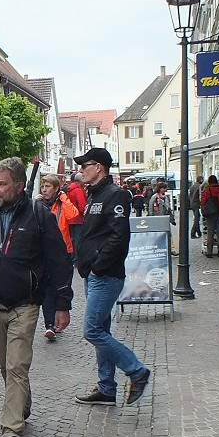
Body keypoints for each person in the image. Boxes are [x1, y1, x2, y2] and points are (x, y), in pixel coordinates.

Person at [0, 158, 73, 437]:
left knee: (16, 366)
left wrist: (62, 303)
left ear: (18, 185)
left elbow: (59, 261)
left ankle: (11, 431)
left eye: (1, 184)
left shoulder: (39, 215)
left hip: (25, 305)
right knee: (6, 365)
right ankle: (21, 402)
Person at [71, 149, 152, 407]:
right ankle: (106, 388)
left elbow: (120, 237)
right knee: (102, 329)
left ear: (100, 167)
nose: (81, 169)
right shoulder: (94, 193)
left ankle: (136, 371)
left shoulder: (115, 195)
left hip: (105, 275)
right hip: (93, 274)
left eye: (86, 165)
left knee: (92, 330)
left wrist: (97, 266)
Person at [36, 173, 78, 340]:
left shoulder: (62, 203)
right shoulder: (38, 205)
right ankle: (49, 325)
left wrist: (64, 198)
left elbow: (73, 216)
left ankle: (59, 317)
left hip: (63, 251)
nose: (44, 190)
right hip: (44, 251)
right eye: (43, 186)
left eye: (48, 187)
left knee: (60, 287)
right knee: (47, 289)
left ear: (56, 189)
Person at [200, 175, 219, 258]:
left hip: (210, 214)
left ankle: (209, 251)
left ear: (209, 182)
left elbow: (203, 203)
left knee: (210, 232)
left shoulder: (207, 191)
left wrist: (203, 212)